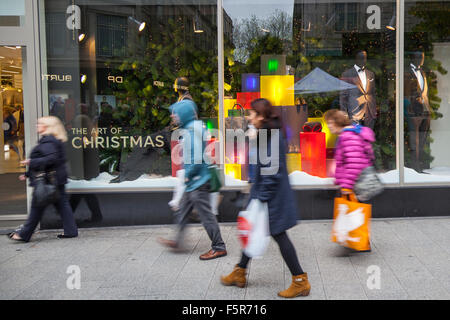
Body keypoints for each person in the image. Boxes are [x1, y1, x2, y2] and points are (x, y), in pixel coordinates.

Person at [221, 98, 310, 298]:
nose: (248, 117)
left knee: (279, 235)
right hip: (264, 194)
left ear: (261, 116)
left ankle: (300, 281)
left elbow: (272, 172)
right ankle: (239, 272)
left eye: (252, 114)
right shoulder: (264, 134)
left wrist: (261, 198)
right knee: (252, 231)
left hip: (272, 198)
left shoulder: (272, 137)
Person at [158, 95, 227, 260]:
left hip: (198, 181)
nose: (173, 116)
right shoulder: (194, 127)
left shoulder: (190, 131)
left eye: (175, 113)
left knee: (206, 215)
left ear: (184, 114)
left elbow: (196, 158)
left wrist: (188, 176)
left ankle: (219, 246)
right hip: (195, 180)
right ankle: (177, 241)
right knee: (183, 210)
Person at [8, 116, 78, 242]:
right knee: (62, 204)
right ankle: (71, 231)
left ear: (47, 126)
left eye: (40, 123)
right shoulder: (54, 139)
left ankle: (24, 234)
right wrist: (28, 174)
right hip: (56, 179)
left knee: (37, 207)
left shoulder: (48, 141)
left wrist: (31, 161)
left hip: (47, 180)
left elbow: (51, 159)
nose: (37, 125)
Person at [324, 109, 375, 194]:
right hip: (351, 187)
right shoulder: (345, 136)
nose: (328, 126)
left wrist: (347, 186)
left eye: (330, 123)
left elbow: (354, 164)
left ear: (338, 122)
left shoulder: (349, 137)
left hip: (354, 189)